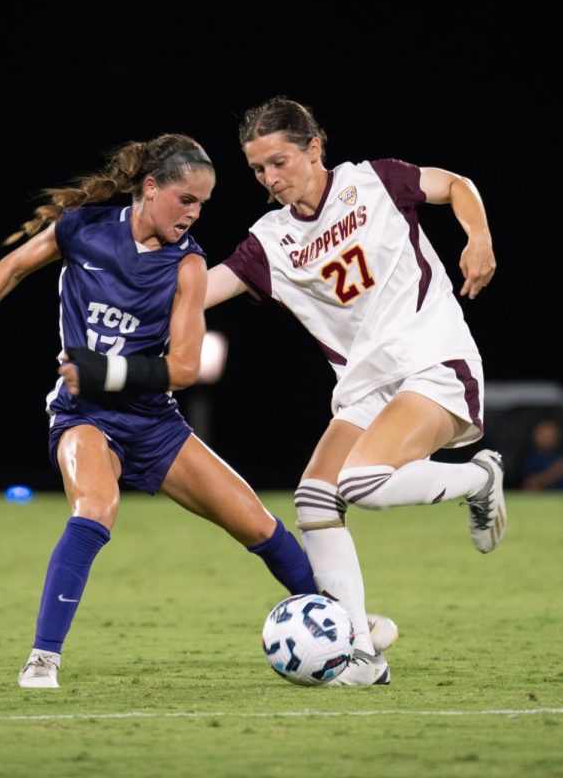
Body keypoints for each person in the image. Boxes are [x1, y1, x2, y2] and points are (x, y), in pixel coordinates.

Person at [0, 134, 318, 689]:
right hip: (83, 416)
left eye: (203, 204)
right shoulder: (83, 229)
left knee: (258, 523)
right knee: (97, 507)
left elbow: (185, 367)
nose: (194, 214)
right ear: (150, 188)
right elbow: (12, 267)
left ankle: (339, 626)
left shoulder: (188, 265)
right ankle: (42, 659)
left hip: (153, 422)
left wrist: (103, 371)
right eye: (186, 199)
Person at [204, 97, 507, 686]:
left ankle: (480, 478)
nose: (270, 178)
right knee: (316, 500)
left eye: (279, 161)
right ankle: (362, 655)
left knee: (362, 483)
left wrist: (480, 236)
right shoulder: (270, 240)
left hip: (433, 362)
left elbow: (458, 185)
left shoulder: (375, 181)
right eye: (258, 169)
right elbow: (199, 292)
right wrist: (122, 274)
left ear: (315, 149)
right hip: (367, 388)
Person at [516, 418, 563, 490]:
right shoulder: (531, 458)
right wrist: (556, 471)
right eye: (544, 434)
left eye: (551, 433)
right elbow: (528, 485)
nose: (548, 437)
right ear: (536, 435)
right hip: (547, 496)